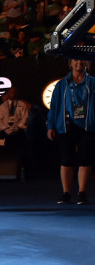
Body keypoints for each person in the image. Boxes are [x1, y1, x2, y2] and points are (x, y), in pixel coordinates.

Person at [46, 59, 95, 204]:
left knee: (85, 159)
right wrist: (50, 126)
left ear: (87, 63)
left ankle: (82, 193)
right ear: (70, 64)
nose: (79, 62)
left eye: (82, 60)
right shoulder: (62, 84)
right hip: (67, 125)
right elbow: (54, 106)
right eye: (75, 60)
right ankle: (66, 193)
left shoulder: (92, 82)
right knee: (66, 160)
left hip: (88, 125)